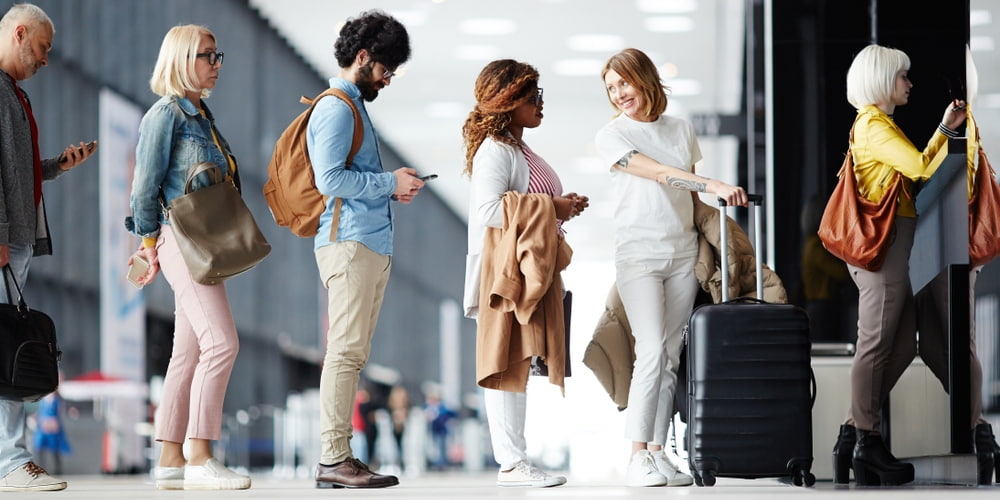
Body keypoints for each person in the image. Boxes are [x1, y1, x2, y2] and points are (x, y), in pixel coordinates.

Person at [594, 48, 746, 487]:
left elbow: (689, 199)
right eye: (611, 87)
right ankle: (636, 454)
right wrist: (712, 182)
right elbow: (660, 174)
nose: (619, 93)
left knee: (671, 354)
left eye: (624, 82)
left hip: (681, 252)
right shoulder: (613, 135)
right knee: (652, 350)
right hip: (638, 254)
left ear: (645, 79)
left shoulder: (681, 129)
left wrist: (714, 215)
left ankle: (658, 452)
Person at [828, 44, 966, 487]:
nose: (909, 82)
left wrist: (944, 129)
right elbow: (920, 167)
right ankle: (867, 442)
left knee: (904, 343)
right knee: (874, 343)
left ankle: (852, 435)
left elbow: (916, 167)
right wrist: (945, 129)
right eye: (903, 75)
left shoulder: (880, 124)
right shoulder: (872, 124)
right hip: (881, 253)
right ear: (882, 80)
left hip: (892, 252)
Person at [125, 24, 250, 490]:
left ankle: (170, 459)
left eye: (219, 56)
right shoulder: (166, 115)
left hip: (204, 241)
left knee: (189, 351)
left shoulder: (202, 117)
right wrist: (149, 244)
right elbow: (144, 188)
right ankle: (201, 456)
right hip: (181, 237)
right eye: (206, 56)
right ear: (180, 59)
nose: (215, 65)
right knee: (223, 343)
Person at [462, 59, 586, 488]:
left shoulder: (517, 148)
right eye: (533, 96)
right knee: (505, 362)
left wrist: (562, 205)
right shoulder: (495, 152)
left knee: (520, 360)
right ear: (509, 101)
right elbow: (489, 211)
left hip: (527, 271)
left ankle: (516, 461)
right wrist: (554, 208)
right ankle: (511, 463)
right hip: (505, 274)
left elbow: (524, 202)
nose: (541, 103)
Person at [309, 10, 417, 490]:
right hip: (348, 241)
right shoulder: (336, 107)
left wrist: (390, 188)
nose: (388, 80)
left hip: (366, 243)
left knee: (353, 353)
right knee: (345, 353)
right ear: (363, 56)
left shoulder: (354, 106)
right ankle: (333, 457)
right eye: (386, 70)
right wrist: (388, 183)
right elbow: (328, 179)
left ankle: (340, 455)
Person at [0, 3, 95, 492]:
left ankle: (12, 460)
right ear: (19, 34)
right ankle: (11, 461)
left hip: (16, 239)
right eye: (42, 47)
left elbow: (16, 168)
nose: (45, 59)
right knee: (8, 349)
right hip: (4, 240)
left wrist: (57, 165)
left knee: (7, 349)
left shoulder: (13, 94)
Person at [31, 390, 71, 475]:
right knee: (39, 447)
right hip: (43, 426)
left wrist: (54, 423)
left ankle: (58, 470)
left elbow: (59, 413)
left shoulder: (58, 400)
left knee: (55, 449)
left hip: (53, 427)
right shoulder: (42, 400)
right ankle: (40, 468)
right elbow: (40, 412)